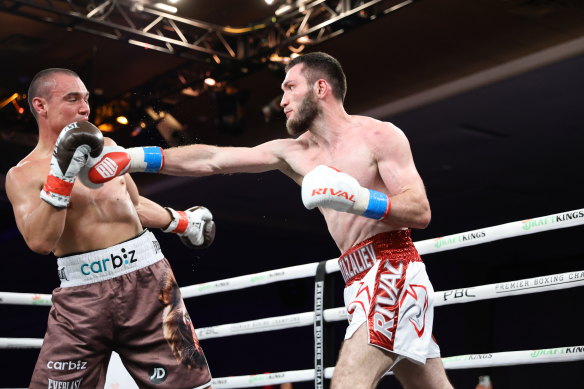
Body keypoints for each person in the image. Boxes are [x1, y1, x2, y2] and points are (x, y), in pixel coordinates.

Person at [86, 52, 453, 389]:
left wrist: (356, 198)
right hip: (355, 277)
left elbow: (419, 210)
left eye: (290, 88)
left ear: (321, 88)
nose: (282, 101)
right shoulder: (292, 152)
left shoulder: (378, 135)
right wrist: (133, 157)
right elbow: (213, 158)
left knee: (347, 384)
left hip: (393, 269)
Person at [5, 68, 216, 388]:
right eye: (72, 98)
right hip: (81, 298)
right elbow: (39, 241)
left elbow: (131, 203)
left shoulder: (107, 145)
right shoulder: (21, 175)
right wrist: (60, 177)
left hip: (149, 284)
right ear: (40, 106)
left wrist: (182, 222)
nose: (85, 108)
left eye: (86, 99)